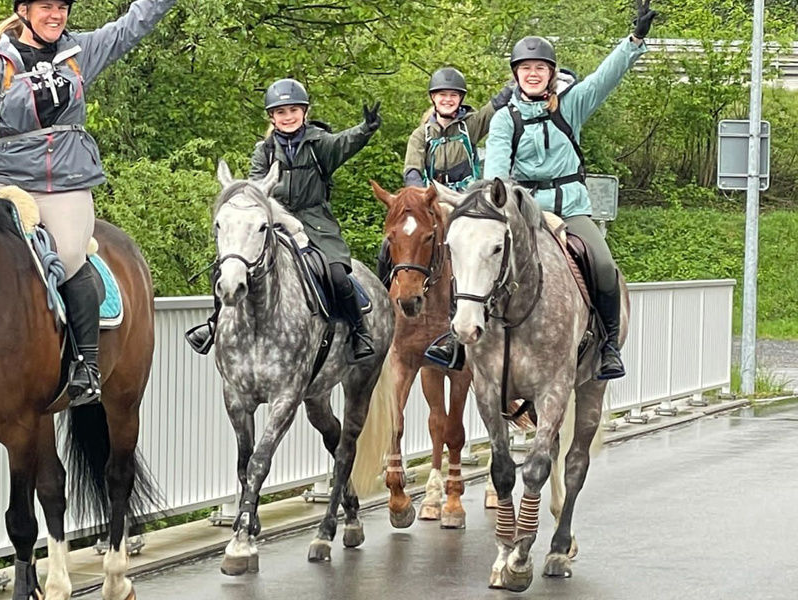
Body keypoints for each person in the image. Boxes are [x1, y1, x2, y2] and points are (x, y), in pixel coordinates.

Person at [0, 0, 177, 405]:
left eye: (62, 7)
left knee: (71, 255)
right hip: (7, 180)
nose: (56, 15)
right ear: (23, 10)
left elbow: (134, 24)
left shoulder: (81, 52)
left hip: (67, 185)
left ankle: (86, 365)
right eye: (46, 7)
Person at [426, 0, 658, 380]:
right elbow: (498, 176)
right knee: (473, 256)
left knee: (603, 265)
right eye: (525, 68)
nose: (533, 74)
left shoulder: (571, 106)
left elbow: (604, 77)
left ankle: (608, 346)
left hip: (570, 210)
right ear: (516, 74)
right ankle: (456, 338)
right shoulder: (504, 120)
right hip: (522, 214)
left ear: (551, 73)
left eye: (540, 68)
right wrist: (502, 204)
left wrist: (633, 40)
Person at [186, 78, 382, 361]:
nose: (287, 117)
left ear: (305, 111)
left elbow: (344, 143)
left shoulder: (319, 144)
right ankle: (216, 323)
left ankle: (358, 331)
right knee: (227, 266)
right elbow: (255, 189)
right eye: (281, 112)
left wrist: (366, 129)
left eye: (293, 110)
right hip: (273, 220)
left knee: (338, 275)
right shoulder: (263, 150)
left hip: (315, 222)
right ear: (272, 117)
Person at [377, 68, 514, 365]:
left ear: (460, 99)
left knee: (464, 250)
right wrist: (420, 198)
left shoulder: (471, 124)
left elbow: (496, 105)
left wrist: (517, 81)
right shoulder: (420, 134)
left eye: (453, 95)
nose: (448, 100)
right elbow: (412, 170)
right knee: (389, 246)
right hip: (429, 200)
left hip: (463, 200)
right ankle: (383, 309)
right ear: (434, 99)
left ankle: (461, 315)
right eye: (442, 95)